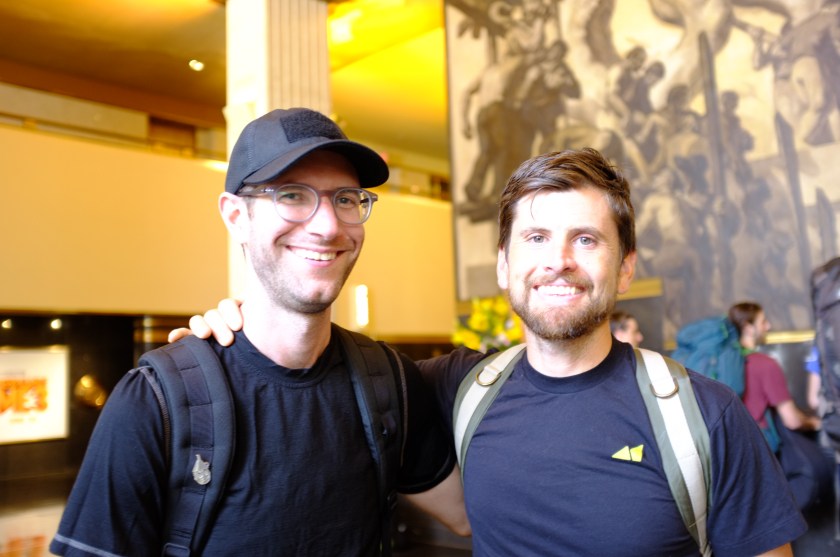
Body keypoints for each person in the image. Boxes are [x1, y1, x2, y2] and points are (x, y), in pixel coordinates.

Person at [182, 148, 806, 555]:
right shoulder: (457, 387)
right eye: (536, 238)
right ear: (505, 266)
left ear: (625, 268)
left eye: (586, 239)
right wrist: (229, 341)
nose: (558, 261)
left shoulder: (703, 415)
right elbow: (308, 375)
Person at [50, 108, 468, 556]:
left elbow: (469, 516)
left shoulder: (389, 383)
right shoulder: (156, 401)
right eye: (292, 195)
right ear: (236, 216)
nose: (328, 225)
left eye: (346, 199)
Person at [727, 301, 821, 436]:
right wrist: (815, 424)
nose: (768, 326)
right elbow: (792, 421)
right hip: (762, 439)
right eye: (763, 322)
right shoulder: (765, 364)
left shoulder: (728, 363)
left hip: (737, 438)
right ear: (748, 328)